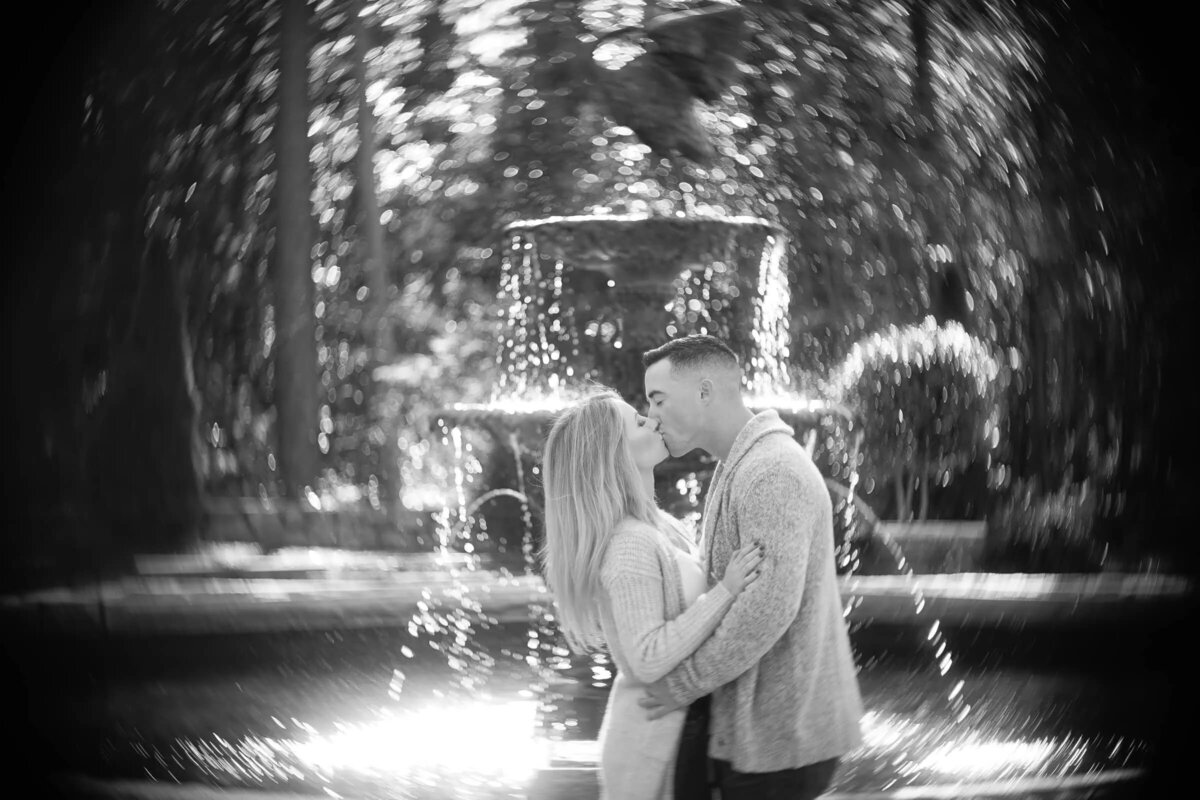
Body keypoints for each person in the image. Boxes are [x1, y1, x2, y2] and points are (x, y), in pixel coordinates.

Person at [640, 334, 865, 800]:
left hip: (782, 744)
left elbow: (765, 610)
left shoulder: (771, 472)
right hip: (759, 738)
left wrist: (682, 684)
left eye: (657, 399)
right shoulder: (739, 465)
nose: (651, 416)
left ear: (704, 392)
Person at [541, 388, 766, 799]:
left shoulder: (656, 526)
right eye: (637, 421)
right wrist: (727, 591)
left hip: (681, 739)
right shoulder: (630, 544)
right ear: (614, 452)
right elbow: (647, 658)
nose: (652, 420)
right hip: (654, 752)